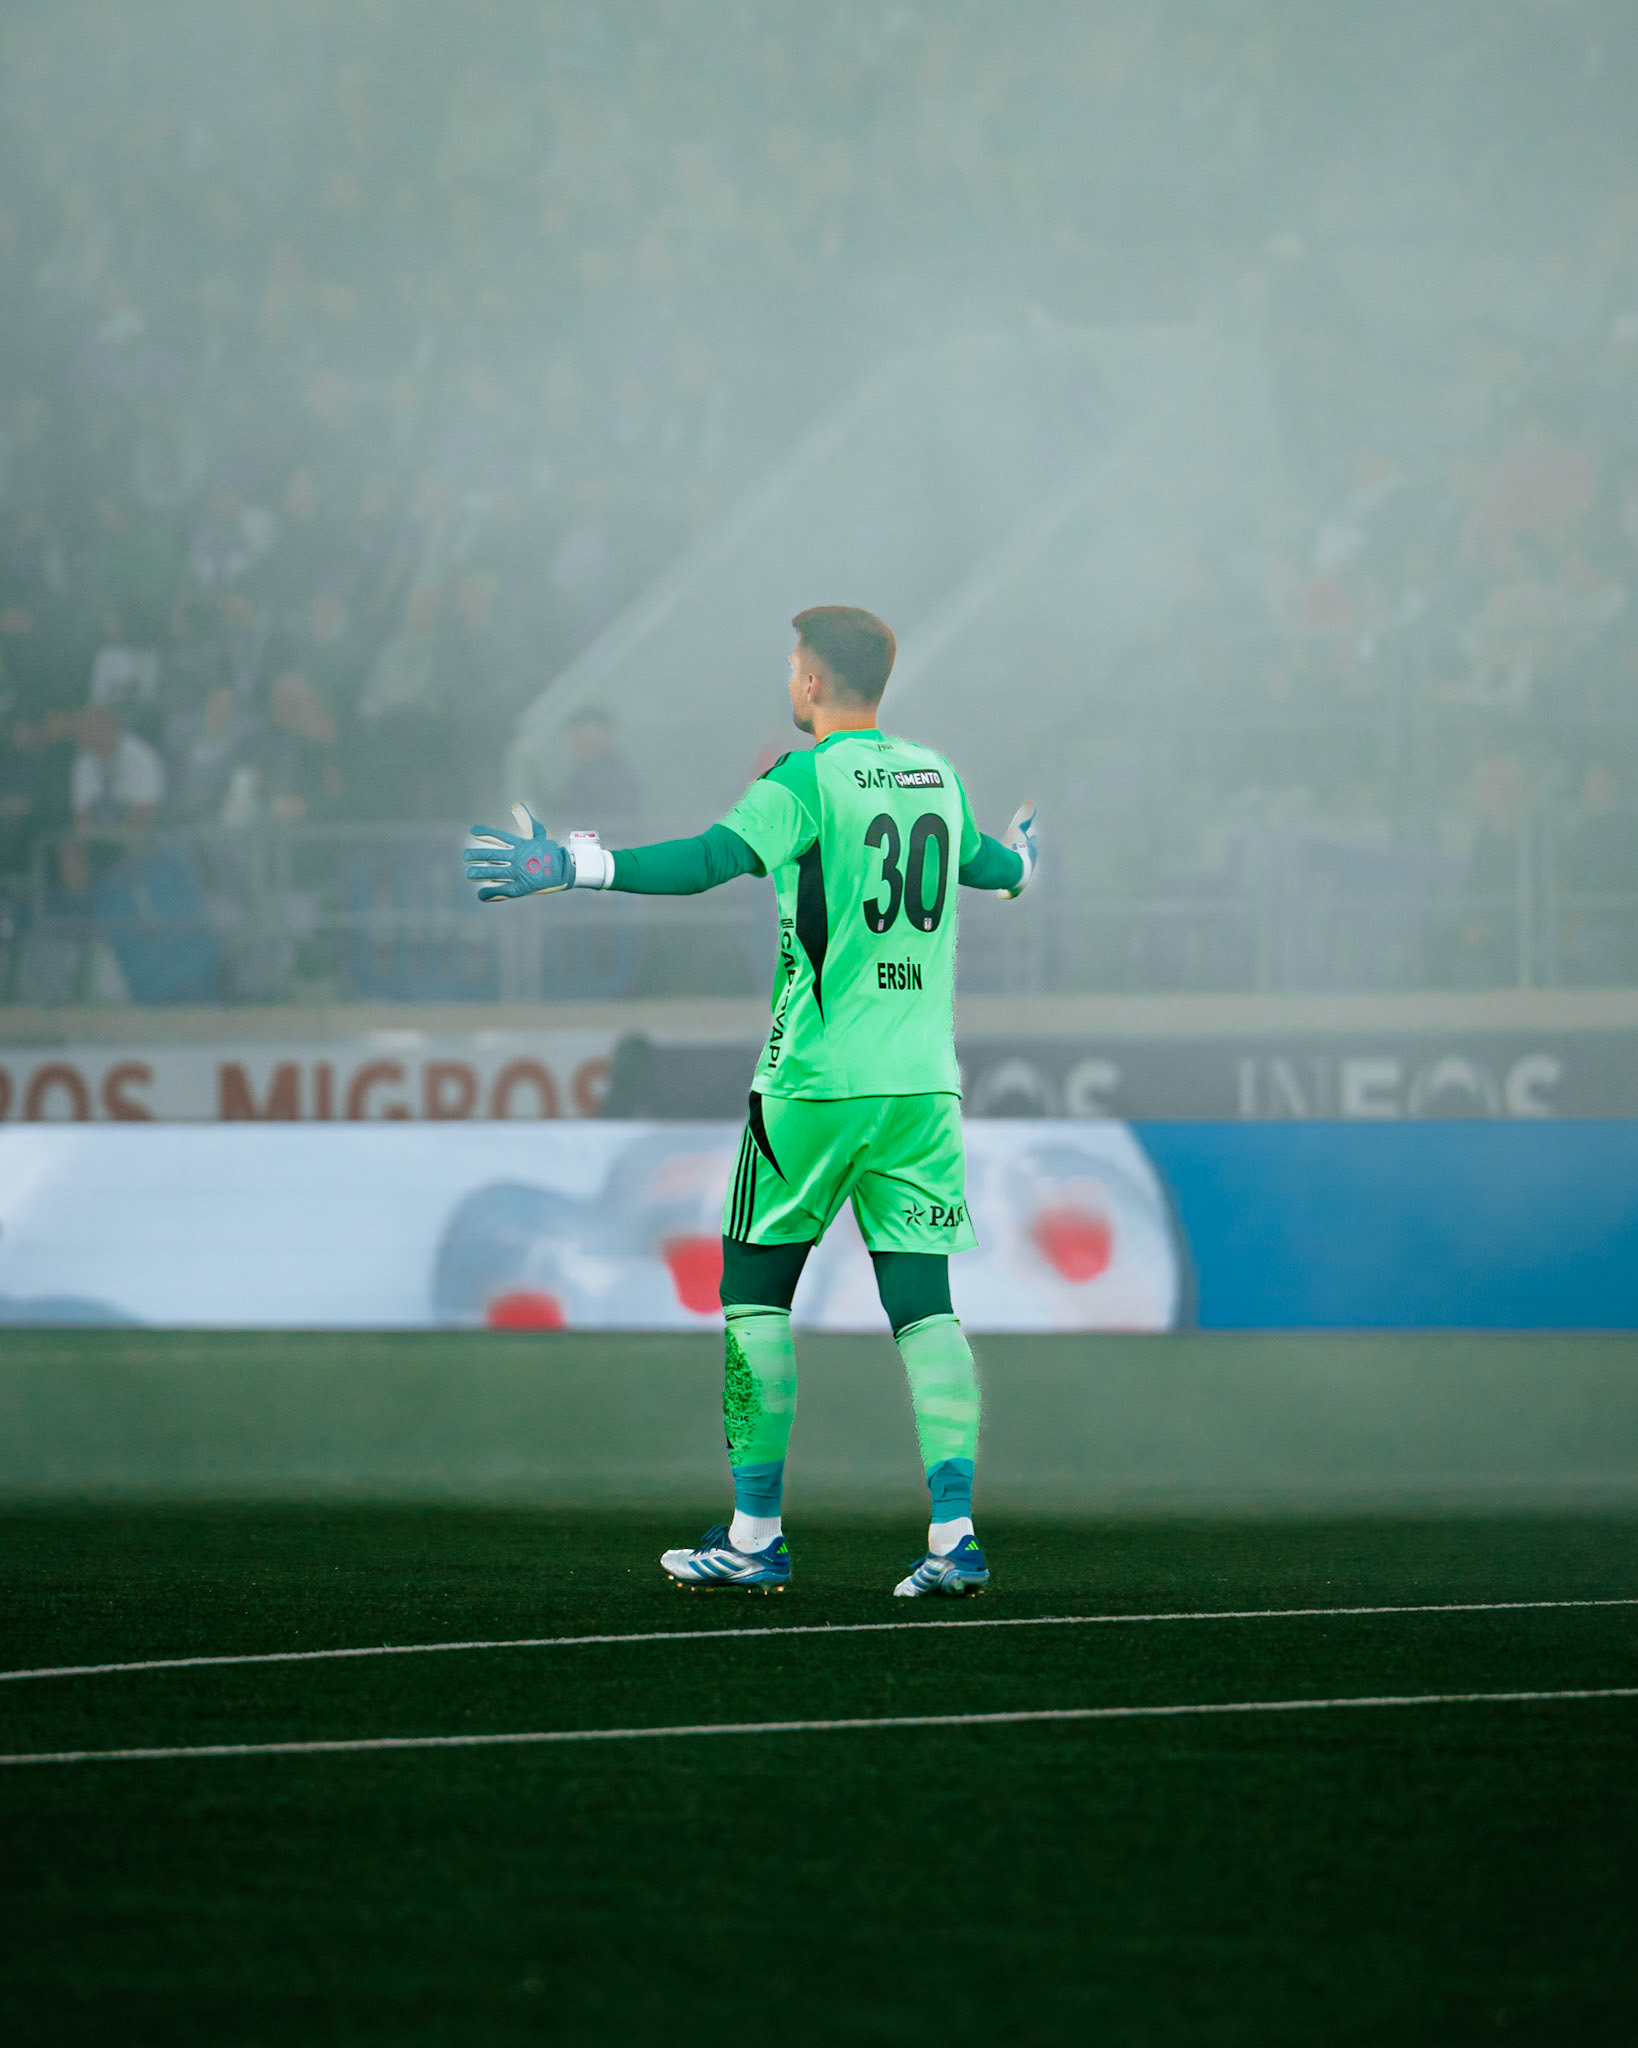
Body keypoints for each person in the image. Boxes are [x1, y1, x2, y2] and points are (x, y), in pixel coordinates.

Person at [465, 606, 1037, 1599]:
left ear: (813, 682)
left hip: (814, 1086)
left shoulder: (802, 781)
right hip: (923, 1088)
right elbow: (994, 865)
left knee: (754, 1294)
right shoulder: (934, 774)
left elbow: (702, 860)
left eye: (792, 665)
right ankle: (955, 1536)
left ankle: (755, 1533)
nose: (788, 677)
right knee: (927, 1307)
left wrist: (573, 864)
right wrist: (1026, 859)